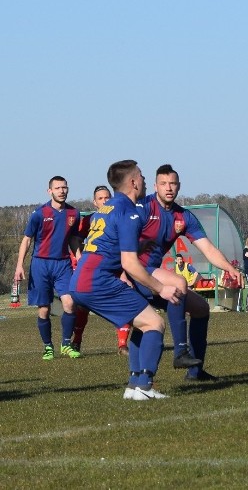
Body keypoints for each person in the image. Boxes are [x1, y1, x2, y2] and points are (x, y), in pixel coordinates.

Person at [70, 160, 182, 400]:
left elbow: (107, 242)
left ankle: (134, 385)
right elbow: (130, 263)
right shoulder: (129, 210)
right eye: (141, 176)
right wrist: (161, 288)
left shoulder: (108, 206)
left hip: (81, 279)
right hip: (97, 280)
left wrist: (139, 244)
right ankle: (145, 386)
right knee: (155, 323)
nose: (143, 180)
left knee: (144, 322)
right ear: (133, 182)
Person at [136, 164, 243, 382]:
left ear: (179, 186)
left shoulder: (183, 217)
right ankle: (180, 352)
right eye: (164, 184)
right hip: (135, 271)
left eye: (173, 184)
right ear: (155, 186)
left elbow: (208, 249)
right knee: (177, 283)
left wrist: (230, 267)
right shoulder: (142, 208)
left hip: (152, 273)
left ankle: (195, 372)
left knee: (202, 309)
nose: (169, 188)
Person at [14, 176, 81, 360]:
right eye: (57, 188)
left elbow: (74, 239)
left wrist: (80, 259)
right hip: (41, 264)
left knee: (69, 303)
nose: (62, 191)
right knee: (44, 308)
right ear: (49, 191)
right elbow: (27, 239)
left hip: (63, 263)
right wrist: (19, 265)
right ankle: (48, 346)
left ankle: (66, 343)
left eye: (64, 187)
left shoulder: (73, 214)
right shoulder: (39, 213)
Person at [69, 184, 133, 356]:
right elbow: (75, 237)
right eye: (101, 198)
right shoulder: (89, 220)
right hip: (92, 269)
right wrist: (78, 254)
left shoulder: (120, 218)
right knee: (83, 307)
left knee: (124, 303)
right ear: (94, 203)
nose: (104, 201)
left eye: (107, 198)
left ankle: (122, 345)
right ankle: (77, 340)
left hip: (114, 268)